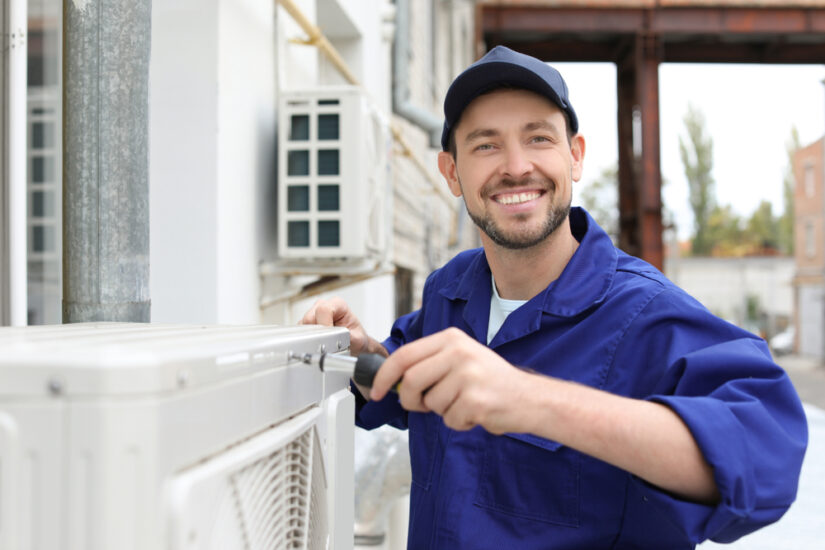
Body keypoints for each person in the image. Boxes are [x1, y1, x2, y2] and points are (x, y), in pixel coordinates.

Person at [301, 46, 807, 549]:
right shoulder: (450, 293)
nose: (517, 167)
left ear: (576, 156)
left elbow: (766, 461)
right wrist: (364, 355)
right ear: (452, 173)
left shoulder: (645, 314)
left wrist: (530, 399)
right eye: (485, 145)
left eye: (538, 138)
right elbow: (411, 389)